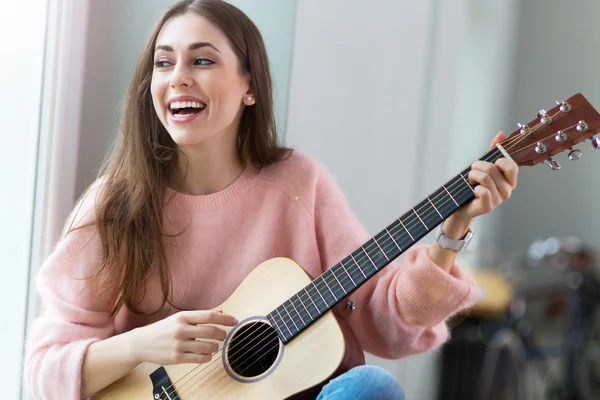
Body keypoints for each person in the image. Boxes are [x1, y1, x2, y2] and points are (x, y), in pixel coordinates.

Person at [24, 0, 519, 399]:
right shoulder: (115, 205)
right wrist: (141, 344)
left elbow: (385, 322)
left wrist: (452, 232)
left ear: (250, 88)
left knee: (371, 388)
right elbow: (46, 368)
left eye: (202, 59)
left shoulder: (300, 184)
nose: (177, 76)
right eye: (163, 62)